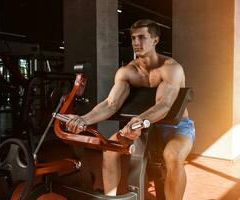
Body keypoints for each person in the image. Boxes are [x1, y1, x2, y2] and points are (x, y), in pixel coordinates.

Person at [65, 19, 195, 200]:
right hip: (140, 128)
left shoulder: (171, 69)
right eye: (133, 38)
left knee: (172, 156)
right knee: (110, 150)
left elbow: (165, 106)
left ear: (155, 40)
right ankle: (110, 198)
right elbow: (111, 104)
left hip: (176, 128)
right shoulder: (127, 72)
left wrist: (140, 120)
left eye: (142, 37)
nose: (135, 42)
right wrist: (84, 119)